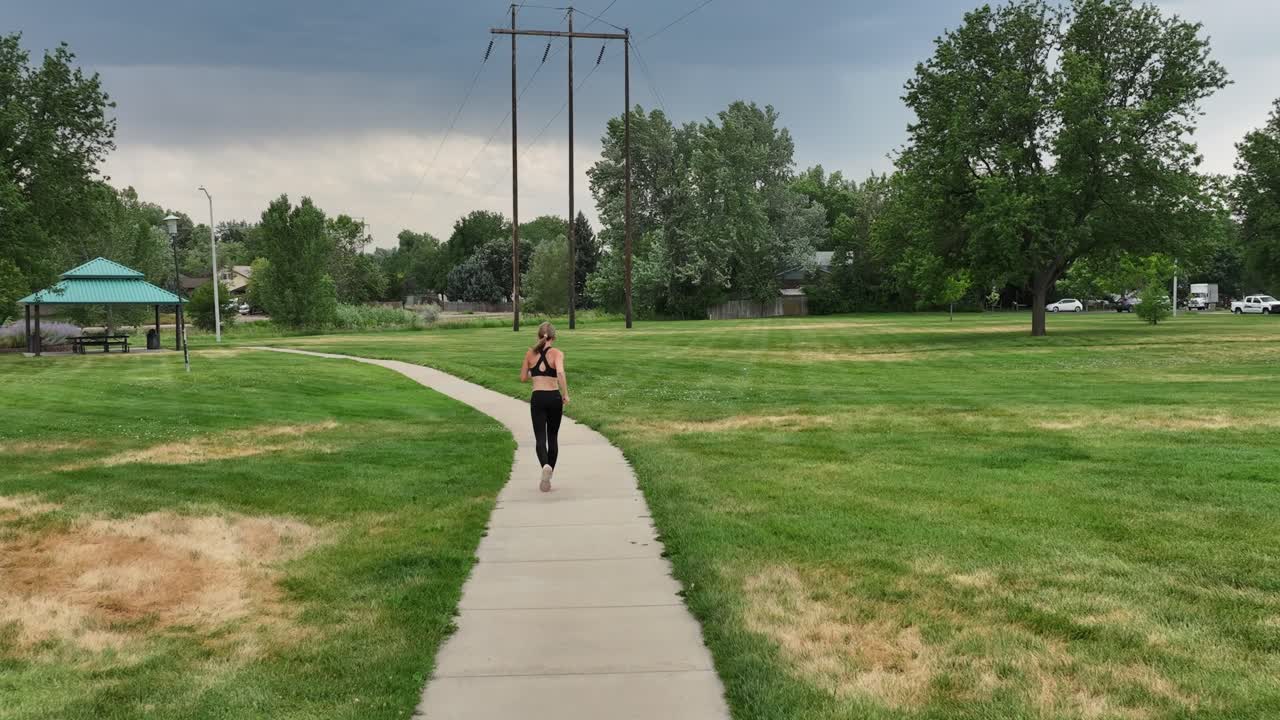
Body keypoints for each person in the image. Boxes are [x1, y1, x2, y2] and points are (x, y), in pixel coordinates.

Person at [520, 321, 570, 492]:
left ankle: (544, 467)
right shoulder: (557, 353)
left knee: (540, 438)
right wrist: (565, 394)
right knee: (553, 437)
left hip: (538, 397)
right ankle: (548, 476)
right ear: (554, 337)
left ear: (538, 336)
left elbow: (523, 378)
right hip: (554, 397)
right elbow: (561, 373)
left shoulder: (530, 354)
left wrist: (531, 367)